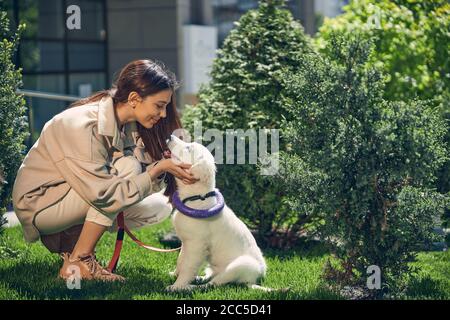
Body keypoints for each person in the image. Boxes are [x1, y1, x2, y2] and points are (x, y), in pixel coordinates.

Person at [12, 59, 197, 281]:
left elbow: (127, 183)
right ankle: (80, 258)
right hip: (40, 203)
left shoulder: (125, 124)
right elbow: (104, 194)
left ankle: (74, 248)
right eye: (159, 105)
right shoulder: (82, 124)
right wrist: (153, 171)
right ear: (134, 99)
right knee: (128, 169)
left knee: (157, 207)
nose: (164, 114)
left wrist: (159, 169)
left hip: (73, 194)